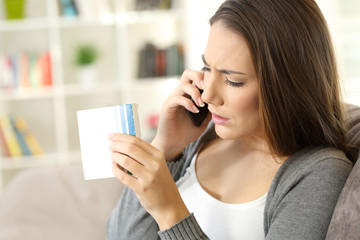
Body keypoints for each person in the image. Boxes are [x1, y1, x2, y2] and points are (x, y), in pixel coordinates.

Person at [106, 0, 353, 239]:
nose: (209, 94)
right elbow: (119, 236)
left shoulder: (319, 173)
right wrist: (165, 148)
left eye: (233, 80)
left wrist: (169, 211)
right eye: (207, 68)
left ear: (288, 86)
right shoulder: (202, 136)